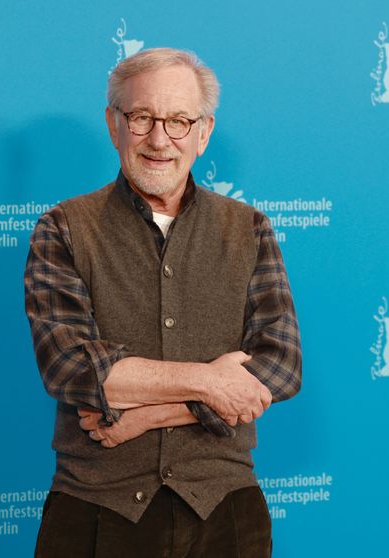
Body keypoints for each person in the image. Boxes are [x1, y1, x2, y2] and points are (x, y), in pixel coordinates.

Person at [24, 47, 301, 558]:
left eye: (178, 121)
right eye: (141, 117)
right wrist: (209, 381)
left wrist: (145, 416)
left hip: (226, 512)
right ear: (114, 124)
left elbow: (279, 367)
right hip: (95, 512)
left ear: (203, 133)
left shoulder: (249, 229)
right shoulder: (62, 228)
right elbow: (71, 368)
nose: (159, 139)